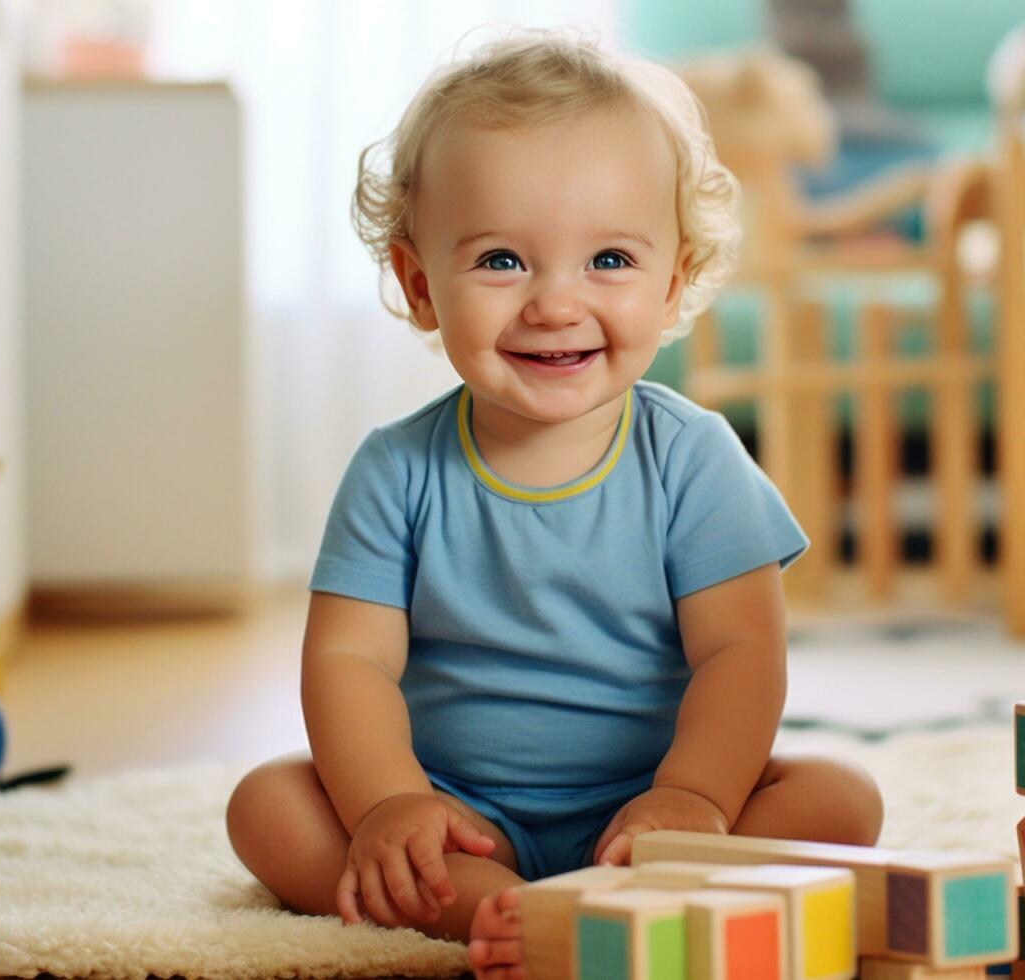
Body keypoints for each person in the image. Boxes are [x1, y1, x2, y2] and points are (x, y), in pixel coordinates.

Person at [225, 28, 883, 979]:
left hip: (648, 811)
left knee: (839, 795)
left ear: (676, 280)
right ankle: (510, 912)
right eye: (500, 261)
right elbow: (349, 658)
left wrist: (693, 797)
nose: (553, 304)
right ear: (419, 285)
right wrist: (388, 805)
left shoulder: (693, 458)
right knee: (269, 804)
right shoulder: (394, 470)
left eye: (608, 261)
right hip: (457, 815)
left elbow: (741, 651)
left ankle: (609, 898)